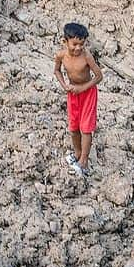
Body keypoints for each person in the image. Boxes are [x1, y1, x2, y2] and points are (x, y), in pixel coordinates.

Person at [54, 23, 104, 177]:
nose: (78, 48)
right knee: (74, 127)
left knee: (86, 128)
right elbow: (56, 70)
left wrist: (83, 88)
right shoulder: (61, 55)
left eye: (81, 44)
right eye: (74, 44)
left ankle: (83, 162)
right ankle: (77, 153)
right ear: (65, 41)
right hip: (73, 94)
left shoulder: (86, 56)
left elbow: (99, 76)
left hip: (87, 94)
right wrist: (64, 85)